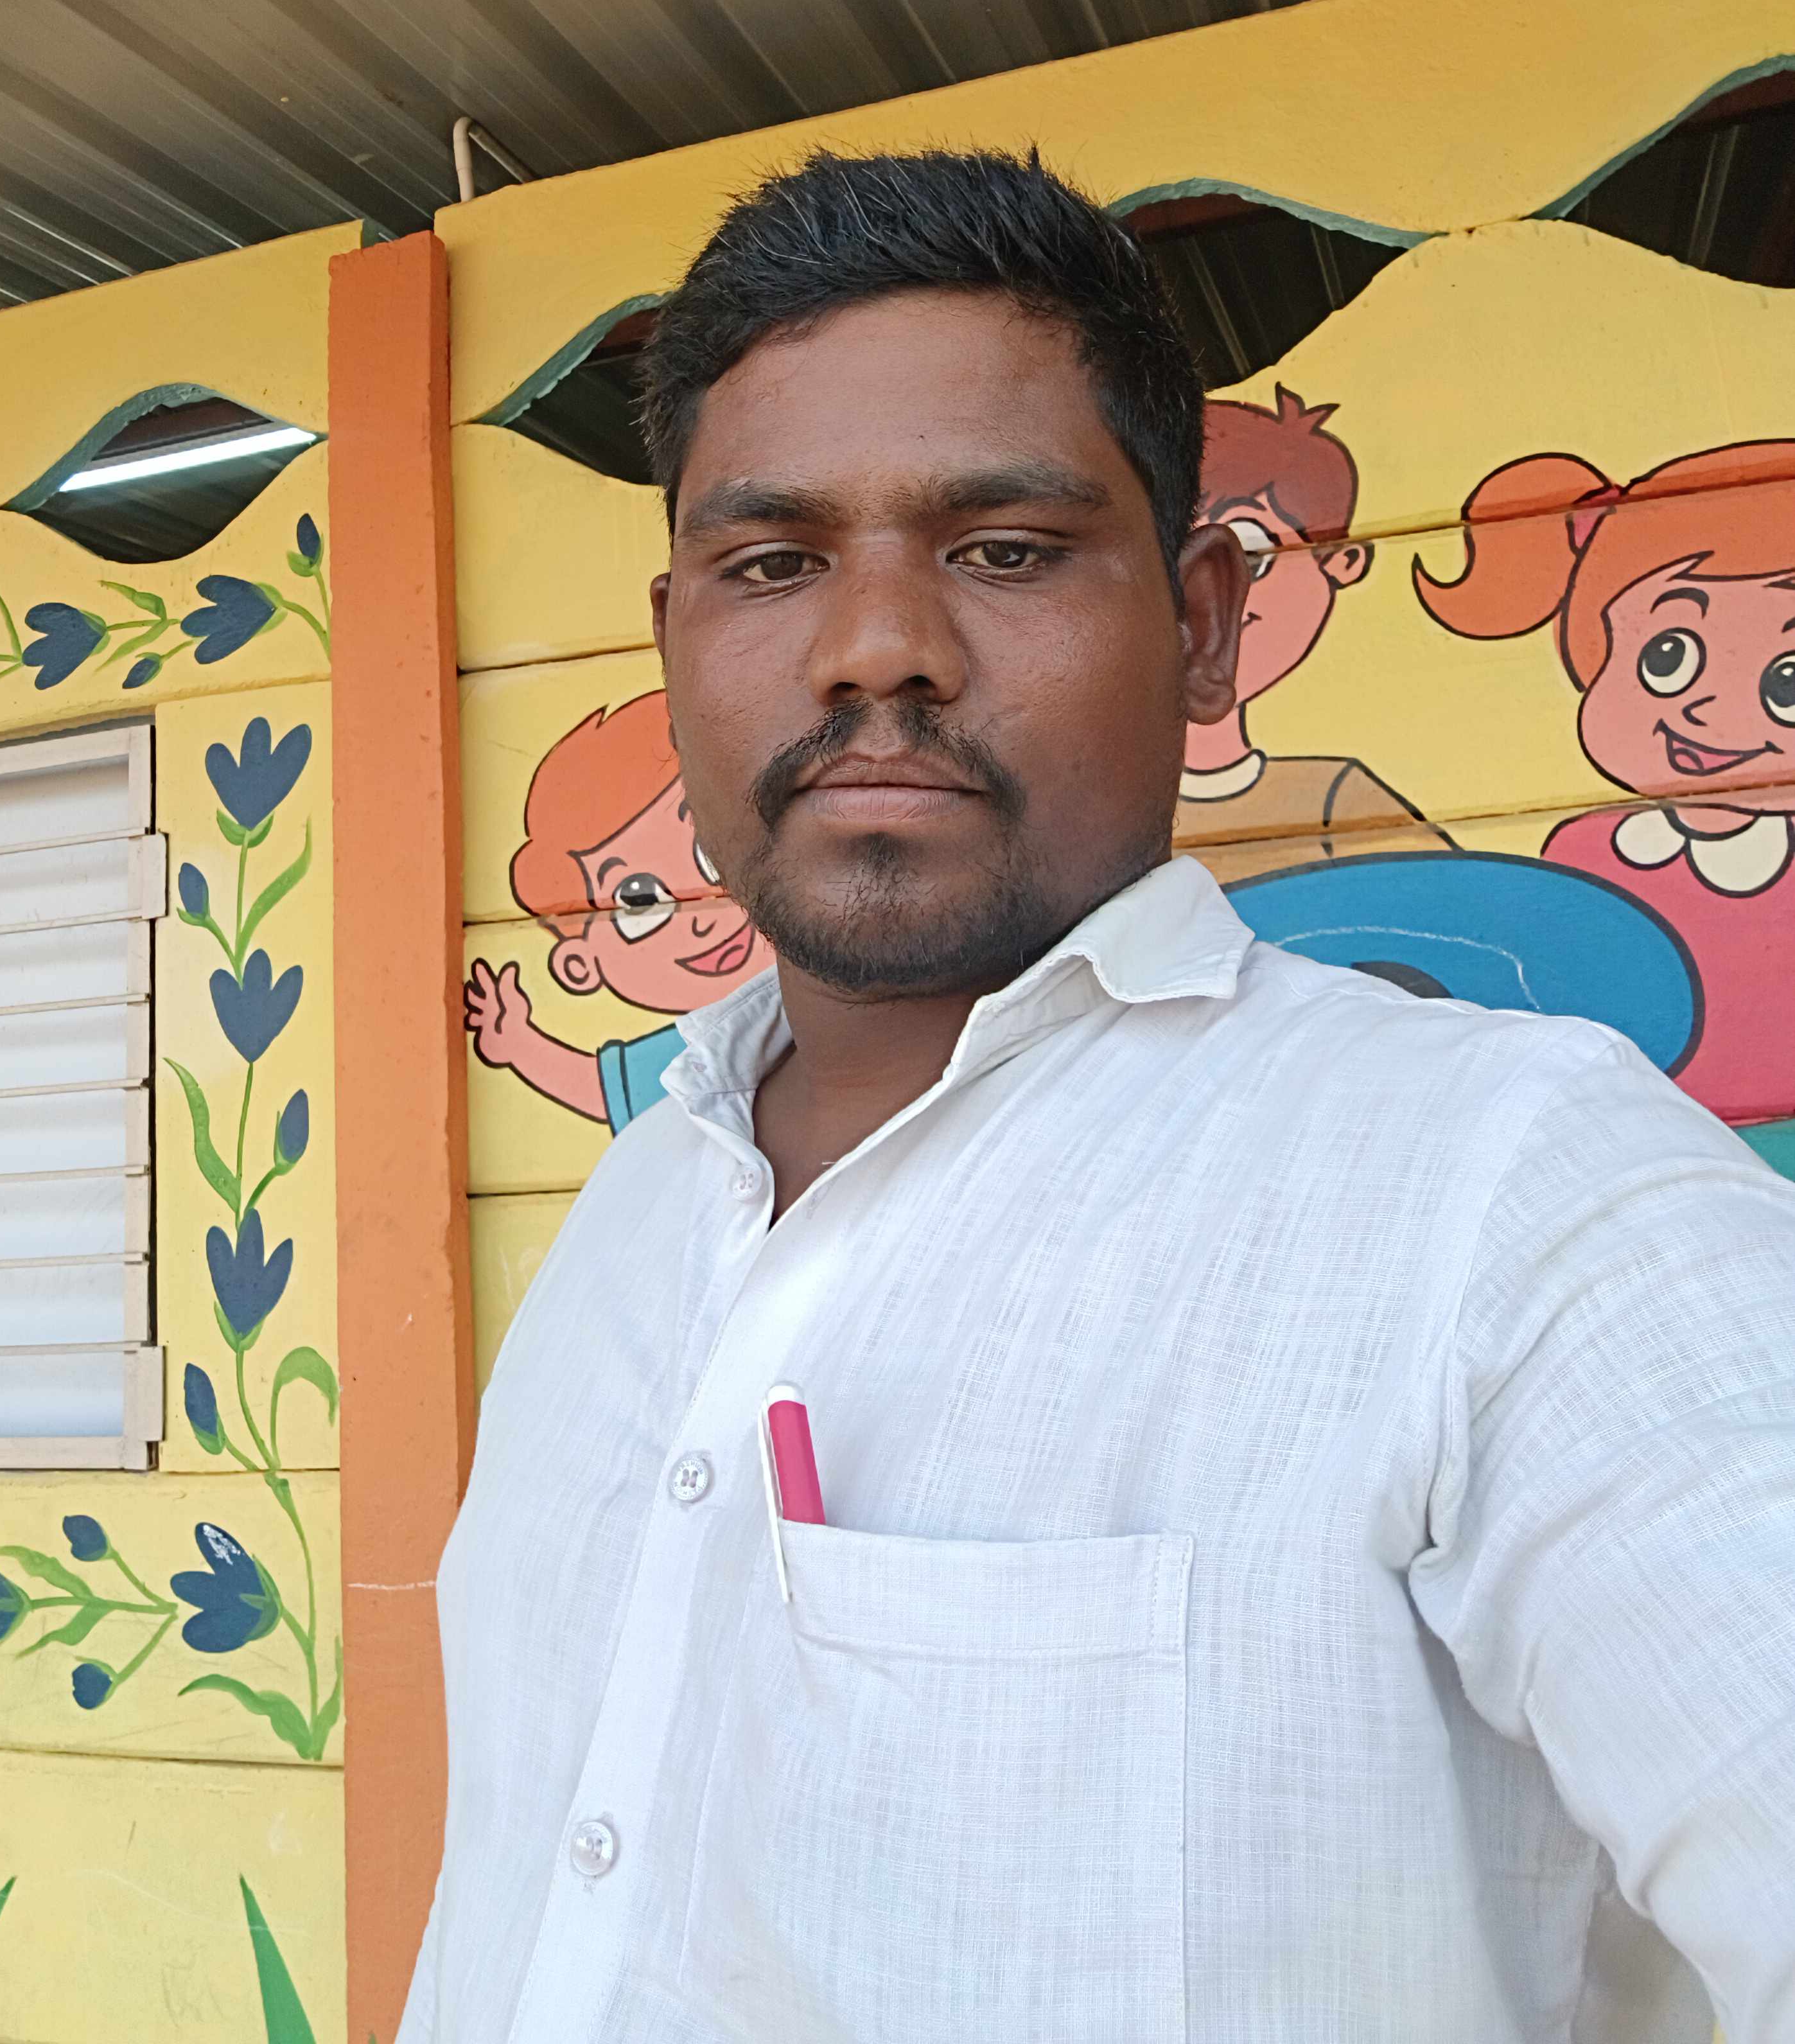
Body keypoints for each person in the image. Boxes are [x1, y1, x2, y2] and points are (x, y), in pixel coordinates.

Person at [403, 149, 1795, 2044]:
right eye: (773, 562)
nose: (874, 645)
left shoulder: (1518, 1199)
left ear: (1204, 622)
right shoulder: (634, 1213)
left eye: (1002, 547)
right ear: (673, 642)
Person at [1417, 443, 1795, 1125]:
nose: (1708, 710)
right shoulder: (1583, 853)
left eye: (1785, 684)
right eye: (1668, 657)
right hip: (1636, 1136)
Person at [464, 690, 773, 1131]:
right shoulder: (686, 1056)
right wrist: (517, 1043)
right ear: (579, 964)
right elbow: (605, 1087)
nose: (701, 922)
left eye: (711, 853)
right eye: (638, 899)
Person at [1177, 387, 1446, 876]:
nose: (1207, 602)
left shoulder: (1332, 799)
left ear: (1342, 562)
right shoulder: (1095, 816)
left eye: (1250, 561)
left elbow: (1452, 903)